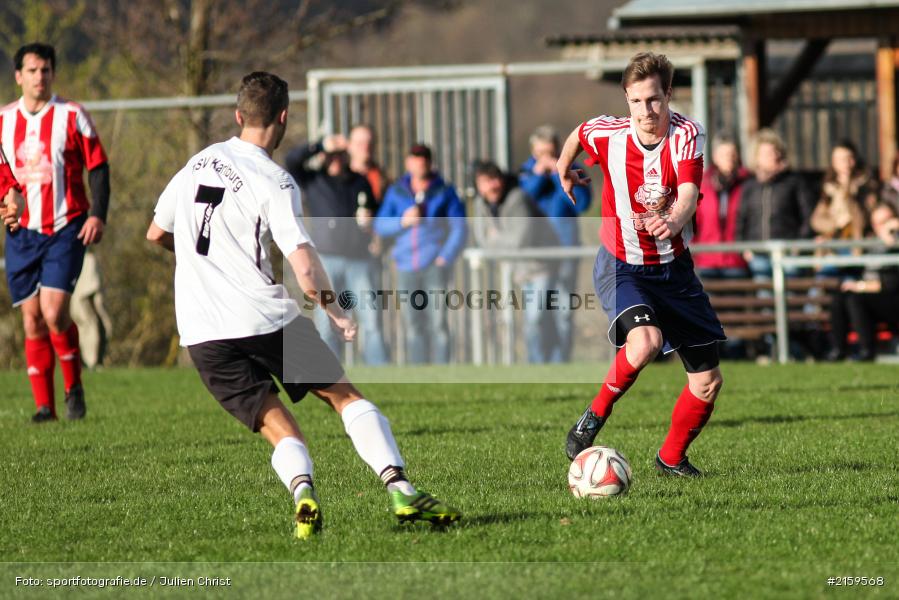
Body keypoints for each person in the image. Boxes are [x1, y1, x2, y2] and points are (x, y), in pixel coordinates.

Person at [146, 72, 459, 539]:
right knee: (343, 395)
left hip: (201, 332)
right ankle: (401, 489)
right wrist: (335, 310)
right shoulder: (275, 180)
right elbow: (306, 271)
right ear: (285, 118)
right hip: (261, 317)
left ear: (238, 115)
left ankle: (303, 493)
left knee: (277, 424)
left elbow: (156, 233)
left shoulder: (198, 162)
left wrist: (200, 260)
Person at [559, 52, 725, 477]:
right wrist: (564, 168)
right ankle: (592, 418)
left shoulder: (687, 134)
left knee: (707, 382)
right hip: (622, 265)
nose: (645, 111)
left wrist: (671, 219)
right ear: (626, 99)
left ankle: (671, 458)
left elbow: (688, 191)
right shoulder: (610, 134)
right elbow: (580, 132)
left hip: (674, 270)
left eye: (653, 100)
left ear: (668, 94)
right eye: (636, 102)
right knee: (646, 343)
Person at [1, 43, 111, 422]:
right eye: (32, 70)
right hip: (22, 233)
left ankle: (73, 387)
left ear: (53, 73)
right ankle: (44, 407)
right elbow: (4, 179)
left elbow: (98, 167)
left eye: (45, 70)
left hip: (66, 226)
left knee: (54, 311)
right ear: (18, 76)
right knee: (31, 318)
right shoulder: (4, 121)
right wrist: (7, 203)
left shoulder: (72, 115)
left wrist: (98, 215)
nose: (39, 77)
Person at [285, 134, 389, 365]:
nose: (335, 160)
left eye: (339, 155)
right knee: (326, 320)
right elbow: (291, 160)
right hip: (326, 261)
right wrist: (321, 144)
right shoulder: (314, 180)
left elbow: (376, 213)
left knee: (370, 318)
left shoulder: (359, 182)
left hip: (359, 260)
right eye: (330, 156)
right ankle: (331, 372)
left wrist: (370, 220)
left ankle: (382, 372)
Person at [374, 144, 467, 364]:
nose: (420, 163)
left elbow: (460, 227)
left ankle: (443, 373)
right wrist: (402, 221)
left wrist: (446, 256)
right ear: (408, 162)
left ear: (429, 162)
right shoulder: (396, 192)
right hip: (405, 266)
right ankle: (419, 373)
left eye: (424, 159)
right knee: (413, 324)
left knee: (438, 323)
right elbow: (380, 225)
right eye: (415, 158)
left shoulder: (445, 191)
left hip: (434, 265)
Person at [470, 160, 558, 363]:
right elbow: (483, 240)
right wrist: (498, 239)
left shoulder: (517, 198)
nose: (491, 186)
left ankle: (541, 365)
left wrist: (495, 237)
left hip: (541, 265)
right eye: (485, 181)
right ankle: (539, 363)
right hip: (520, 269)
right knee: (533, 320)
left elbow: (520, 239)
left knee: (537, 319)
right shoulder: (480, 204)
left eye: (494, 179)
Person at [519, 125, 592, 362]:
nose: (546, 158)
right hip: (535, 254)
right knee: (536, 313)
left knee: (562, 312)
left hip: (565, 248)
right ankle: (537, 363)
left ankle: (561, 362)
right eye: (540, 153)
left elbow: (580, 204)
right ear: (533, 152)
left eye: (550, 152)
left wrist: (558, 175)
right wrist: (540, 175)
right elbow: (521, 202)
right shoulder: (525, 173)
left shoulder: (573, 169)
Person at [736, 129, 815, 278]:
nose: (772, 156)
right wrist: (743, 248)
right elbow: (741, 218)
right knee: (764, 298)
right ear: (756, 157)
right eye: (766, 153)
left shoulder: (794, 181)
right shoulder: (750, 186)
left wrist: (799, 244)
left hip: (788, 252)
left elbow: (808, 216)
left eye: (774, 152)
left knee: (791, 297)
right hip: (758, 254)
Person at [826, 202, 899, 361]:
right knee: (841, 295)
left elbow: (891, 284)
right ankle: (838, 349)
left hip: (892, 299)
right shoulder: (871, 244)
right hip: (872, 297)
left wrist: (893, 239)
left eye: (886, 220)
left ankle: (867, 350)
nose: (881, 226)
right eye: (877, 223)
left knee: (855, 298)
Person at [694, 132, 749, 278]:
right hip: (706, 259)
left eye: (732, 154)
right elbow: (695, 221)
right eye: (724, 154)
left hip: (736, 260)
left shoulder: (746, 184)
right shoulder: (703, 185)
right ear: (715, 157)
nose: (729, 158)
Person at [811, 140, 875, 243]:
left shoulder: (866, 185)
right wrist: (835, 225)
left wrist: (849, 192)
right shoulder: (829, 188)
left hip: (859, 241)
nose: (846, 163)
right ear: (834, 162)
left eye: (850, 158)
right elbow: (816, 220)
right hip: (835, 241)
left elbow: (867, 218)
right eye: (842, 159)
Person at [70, 252, 112, 368]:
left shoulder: (89, 260)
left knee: (93, 327)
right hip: (78, 306)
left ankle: (94, 361)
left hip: (87, 306)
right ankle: (85, 361)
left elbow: (95, 295)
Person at [347, 124, 387, 203]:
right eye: (360, 143)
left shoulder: (383, 180)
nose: (366, 147)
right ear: (349, 146)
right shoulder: (339, 179)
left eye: (369, 143)